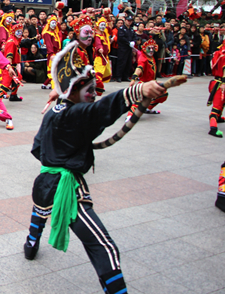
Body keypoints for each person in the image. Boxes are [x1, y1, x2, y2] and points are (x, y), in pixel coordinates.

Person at [24, 38, 166, 294]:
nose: (92, 94)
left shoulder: (54, 111)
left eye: (94, 89)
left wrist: (59, 155)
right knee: (104, 247)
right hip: (66, 189)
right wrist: (137, 91)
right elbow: (101, 110)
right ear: (73, 92)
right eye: (87, 90)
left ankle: (30, 245)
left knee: (39, 212)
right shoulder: (74, 113)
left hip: (44, 181)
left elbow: (37, 148)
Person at [125, 38, 168, 121]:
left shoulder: (151, 58)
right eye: (149, 48)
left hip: (152, 83)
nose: (151, 50)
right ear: (144, 49)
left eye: (152, 48)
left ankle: (147, 108)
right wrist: (134, 78)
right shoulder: (143, 58)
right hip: (144, 84)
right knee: (139, 100)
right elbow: (139, 68)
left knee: (163, 94)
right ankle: (130, 115)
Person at [0, 23, 24, 101]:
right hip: (9, 66)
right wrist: (9, 67)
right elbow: (9, 56)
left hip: (13, 66)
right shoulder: (11, 42)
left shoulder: (15, 41)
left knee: (18, 78)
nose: (20, 33)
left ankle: (13, 95)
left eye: (20, 31)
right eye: (17, 31)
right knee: (5, 84)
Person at [207, 39, 225, 138]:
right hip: (221, 83)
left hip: (216, 82)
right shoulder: (223, 55)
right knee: (216, 108)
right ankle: (213, 128)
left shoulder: (218, 53)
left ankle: (218, 118)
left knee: (222, 102)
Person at [93, 15, 112, 94]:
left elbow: (110, 28)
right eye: (101, 25)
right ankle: (97, 87)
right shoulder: (97, 35)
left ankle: (98, 85)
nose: (103, 27)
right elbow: (98, 43)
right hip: (100, 57)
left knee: (107, 72)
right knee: (99, 73)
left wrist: (108, 17)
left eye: (104, 25)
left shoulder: (105, 34)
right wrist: (99, 48)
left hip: (105, 57)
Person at [115, 15, 135, 82]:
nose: (129, 22)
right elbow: (121, 37)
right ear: (125, 21)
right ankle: (119, 76)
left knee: (128, 62)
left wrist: (133, 41)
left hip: (129, 48)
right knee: (121, 62)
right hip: (123, 48)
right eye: (128, 21)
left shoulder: (131, 29)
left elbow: (134, 36)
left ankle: (125, 76)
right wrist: (128, 42)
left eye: (130, 21)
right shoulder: (122, 29)